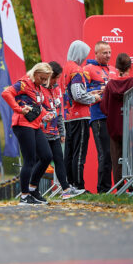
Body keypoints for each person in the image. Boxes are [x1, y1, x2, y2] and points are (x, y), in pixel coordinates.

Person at [30, 61, 86, 200]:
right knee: (41, 161)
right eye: (55, 78)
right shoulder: (38, 89)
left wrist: (62, 132)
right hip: (41, 132)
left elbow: (59, 111)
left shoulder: (56, 89)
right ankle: (31, 189)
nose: (56, 81)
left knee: (59, 160)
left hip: (54, 132)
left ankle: (66, 189)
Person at [1, 62, 55, 205]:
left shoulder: (38, 87)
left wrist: (45, 114)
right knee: (30, 160)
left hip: (35, 125)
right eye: (42, 78)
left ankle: (33, 189)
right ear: (35, 73)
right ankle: (24, 196)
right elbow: (6, 93)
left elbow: (36, 105)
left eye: (46, 79)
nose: (44, 82)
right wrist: (18, 109)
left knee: (46, 156)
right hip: (23, 125)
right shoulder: (24, 83)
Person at [62, 40, 102, 191]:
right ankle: (79, 186)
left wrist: (89, 93)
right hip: (80, 115)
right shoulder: (77, 70)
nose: (85, 58)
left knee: (70, 152)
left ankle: (70, 185)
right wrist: (94, 98)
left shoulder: (66, 68)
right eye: (84, 55)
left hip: (69, 115)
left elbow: (71, 93)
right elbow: (78, 95)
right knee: (79, 153)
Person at [83, 41, 117, 193]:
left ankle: (114, 188)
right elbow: (80, 92)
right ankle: (103, 189)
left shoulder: (114, 70)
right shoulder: (88, 69)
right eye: (104, 53)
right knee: (105, 153)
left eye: (109, 52)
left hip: (114, 117)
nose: (108, 55)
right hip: (98, 116)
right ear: (96, 54)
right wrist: (99, 90)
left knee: (114, 154)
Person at [100, 53, 133, 188]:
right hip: (132, 125)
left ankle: (119, 186)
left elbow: (104, 107)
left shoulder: (110, 85)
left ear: (116, 67)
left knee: (116, 159)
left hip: (114, 126)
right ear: (130, 67)